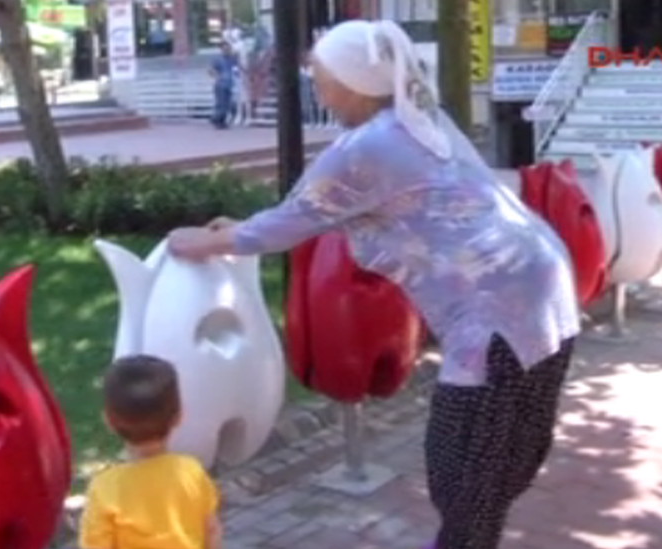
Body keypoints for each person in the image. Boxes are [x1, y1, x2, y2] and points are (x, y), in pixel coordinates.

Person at [165, 19, 580, 549]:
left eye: (322, 78)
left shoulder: (368, 147)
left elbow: (289, 223)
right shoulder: (418, 121)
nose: (317, 88)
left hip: (499, 311)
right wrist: (235, 233)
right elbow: (311, 208)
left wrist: (198, 243)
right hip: (543, 286)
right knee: (504, 453)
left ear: (354, 82)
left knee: (463, 466)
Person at [79, 355, 222, 549]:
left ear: (109, 421)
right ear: (179, 416)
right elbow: (211, 530)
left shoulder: (105, 489)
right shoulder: (191, 472)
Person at [209, 42, 237, 129]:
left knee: (228, 104)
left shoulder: (232, 59)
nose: (227, 50)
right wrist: (218, 77)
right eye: (225, 49)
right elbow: (211, 70)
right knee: (221, 104)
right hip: (220, 85)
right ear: (221, 49)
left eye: (228, 49)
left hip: (229, 84)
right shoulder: (218, 59)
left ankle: (221, 121)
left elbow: (236, 68)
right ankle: (216, 120)